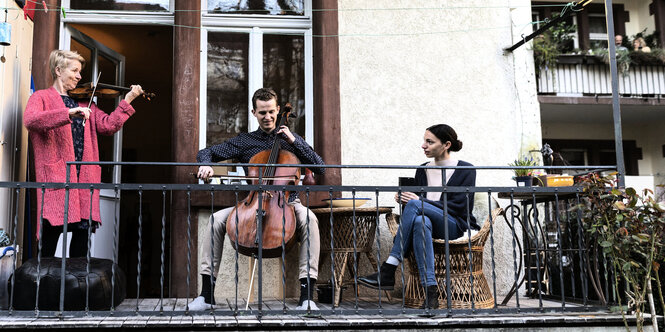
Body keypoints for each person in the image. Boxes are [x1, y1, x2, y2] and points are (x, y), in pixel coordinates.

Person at [190, 88, 325, 311]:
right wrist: (204, 164)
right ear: (254, 112)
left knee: (309, 219)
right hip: (252, 203)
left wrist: (293, 140)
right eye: (262, 112)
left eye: (271, 111)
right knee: (216, 220)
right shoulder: (245, 141)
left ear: (278, 110)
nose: (268, 117)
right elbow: (207, 152)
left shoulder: (292, 141)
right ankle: (206, 296)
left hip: (288, 203)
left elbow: (320, 167)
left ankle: (307, 296)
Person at [24, 50, 143, 257]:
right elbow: (31, 120)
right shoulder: (40, 97)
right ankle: (46, 289)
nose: (80, 76)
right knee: (47, 249)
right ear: (58, 70)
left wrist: (128, 100)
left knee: (81, 249)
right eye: (75, 70)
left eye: (81, 72)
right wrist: (67, 113)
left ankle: (75, 289)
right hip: (56, 182)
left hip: (84, 182)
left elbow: (108, 126)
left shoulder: (86, 103)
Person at [358, 124, 477, 309]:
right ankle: (431, 293)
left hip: (454, 224)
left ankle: (389, 268)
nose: (423, 145)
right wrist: (404, 199)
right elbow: (419, 209)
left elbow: (459, 207)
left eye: (429, 142)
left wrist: (418, 201)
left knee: (415, 204)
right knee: (420, 220)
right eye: (424, 141)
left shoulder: (466, 170)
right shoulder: (422, 169)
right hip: (428, 223)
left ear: (446, 144)